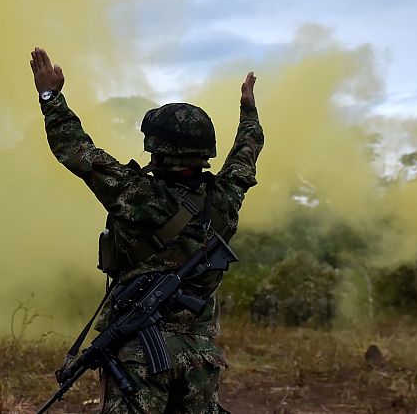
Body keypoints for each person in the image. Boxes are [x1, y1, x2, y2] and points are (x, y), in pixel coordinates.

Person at [29, 47, 264, 413]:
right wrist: (248, 111)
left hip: (141, 360)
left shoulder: (135, 193)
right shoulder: (224, 200)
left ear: (157, 151)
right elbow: (246, 153)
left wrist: (50, 97)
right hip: (200, 359)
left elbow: (76, 151)